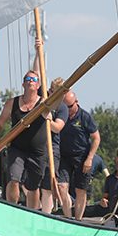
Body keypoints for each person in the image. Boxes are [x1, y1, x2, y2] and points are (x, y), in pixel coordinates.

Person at [0, 69, 52, 208]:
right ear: (23, 84)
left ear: (38, 85)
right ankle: (12, 208)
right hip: (17, 149)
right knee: (14, 179)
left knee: (33, 187)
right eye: (27, 79)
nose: (30, 81)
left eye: (33, 80)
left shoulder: (44, 103)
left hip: (38, 152)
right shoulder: (12, 103)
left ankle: (32, 214)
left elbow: (56, 103)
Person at [58, 90, 100, 220]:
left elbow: (96, 138)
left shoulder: (85, 117)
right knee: (62, 187)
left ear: (76, 102)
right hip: (64, 156)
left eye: (70, 106)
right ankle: (68, 217)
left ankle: (78, 219)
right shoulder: (61, 116)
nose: (67, 110)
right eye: (65, 107)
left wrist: (90, 158)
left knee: (80, 190)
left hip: (82, 157)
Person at [36, 78, 70, 213]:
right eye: (51, 91)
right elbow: (37, 73)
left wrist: (48, 119)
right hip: (35, 145)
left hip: (51, 148)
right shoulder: (42, 98)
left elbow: (57, 128)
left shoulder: (62, 108)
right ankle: (35, 207)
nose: (53, 95)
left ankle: (45, 213)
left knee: (47, 187)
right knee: (27, 182)